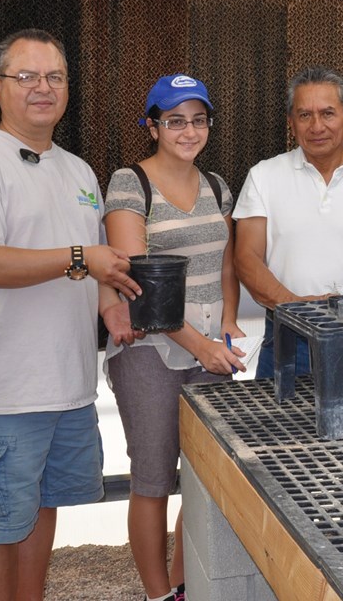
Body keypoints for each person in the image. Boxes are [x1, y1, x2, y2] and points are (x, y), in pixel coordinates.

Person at [0, 28, 141, 601]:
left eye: (54, 77)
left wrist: (110, 306)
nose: (42, 88)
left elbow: (95, 266)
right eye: (26, 77)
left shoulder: (75, 170)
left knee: (42, 507)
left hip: (66, 383)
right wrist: (80, 258)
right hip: (2, 389)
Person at [103, 74, 246, 601]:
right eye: (175, 120)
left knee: (205, 477)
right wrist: (202, 347)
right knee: (153, 479)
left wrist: (228, 321)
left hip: (210, 346)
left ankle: (188, 584)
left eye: (199, 119)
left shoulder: (216, 186)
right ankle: (158, 593)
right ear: (153, 126)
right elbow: (135, 281)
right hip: (151, 350)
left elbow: (226, 260)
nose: (189, 131)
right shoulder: (128, 183)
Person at [234, 67, 343, 378]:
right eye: (304, 115)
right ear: (291, 122)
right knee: (282, 426)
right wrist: (299, 310)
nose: (316, 126)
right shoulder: (263, 176)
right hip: (287, 335)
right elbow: (246, 259)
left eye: (328, 113)